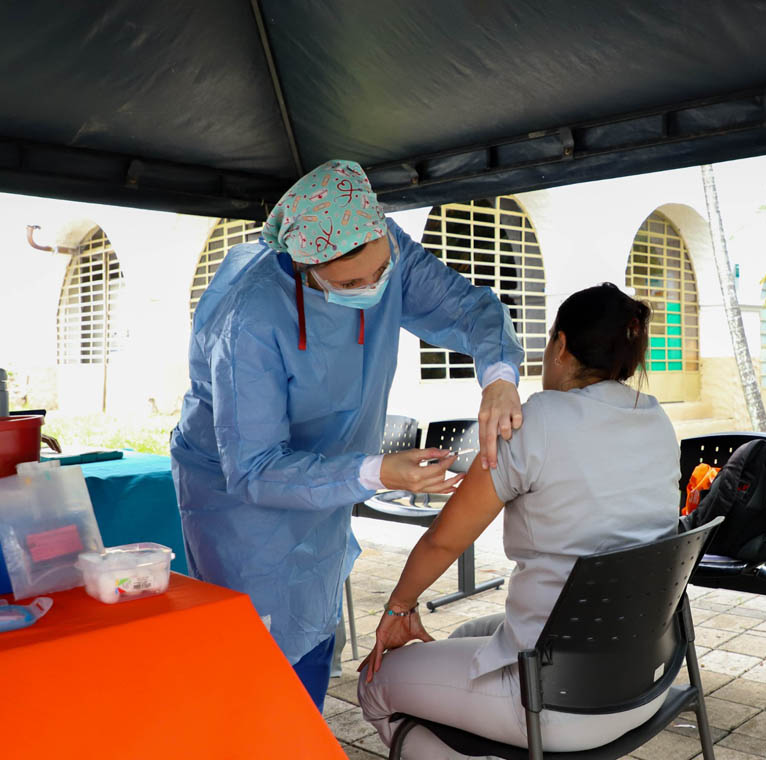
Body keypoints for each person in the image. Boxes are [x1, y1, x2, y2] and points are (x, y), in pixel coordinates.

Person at [169, 159, 524, 709]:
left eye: (380, 272)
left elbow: (468, 306)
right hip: (241, 505)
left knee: (313, 621)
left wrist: (498, 379)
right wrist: (377, 470)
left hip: (328, 474)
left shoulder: (387, 248)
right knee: (259, 653)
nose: (373, 288)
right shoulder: (251, 318)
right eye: (351, 283)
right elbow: (256, 468)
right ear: (304, 266)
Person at [357, 283, 681, 758]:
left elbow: (444, 543)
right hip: (646, 678)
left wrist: (400, 609)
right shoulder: (656, 418)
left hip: (552, 701)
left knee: (375, 683)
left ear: (561, 345)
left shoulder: (536, 422)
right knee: (467, 635)